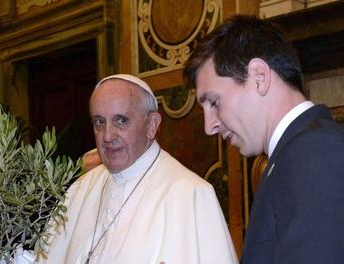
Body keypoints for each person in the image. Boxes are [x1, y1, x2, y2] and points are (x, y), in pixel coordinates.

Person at [184, 15, 344, 263]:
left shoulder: (319, 155)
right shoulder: (298, 153)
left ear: (259, 78)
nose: (209, 126)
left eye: (214, 102)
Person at [40, 74, 238, 264]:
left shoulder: (190, 194)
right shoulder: (79, 190)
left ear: (152, 125)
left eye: (121, 120)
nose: (107, 135)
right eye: (99, 122)